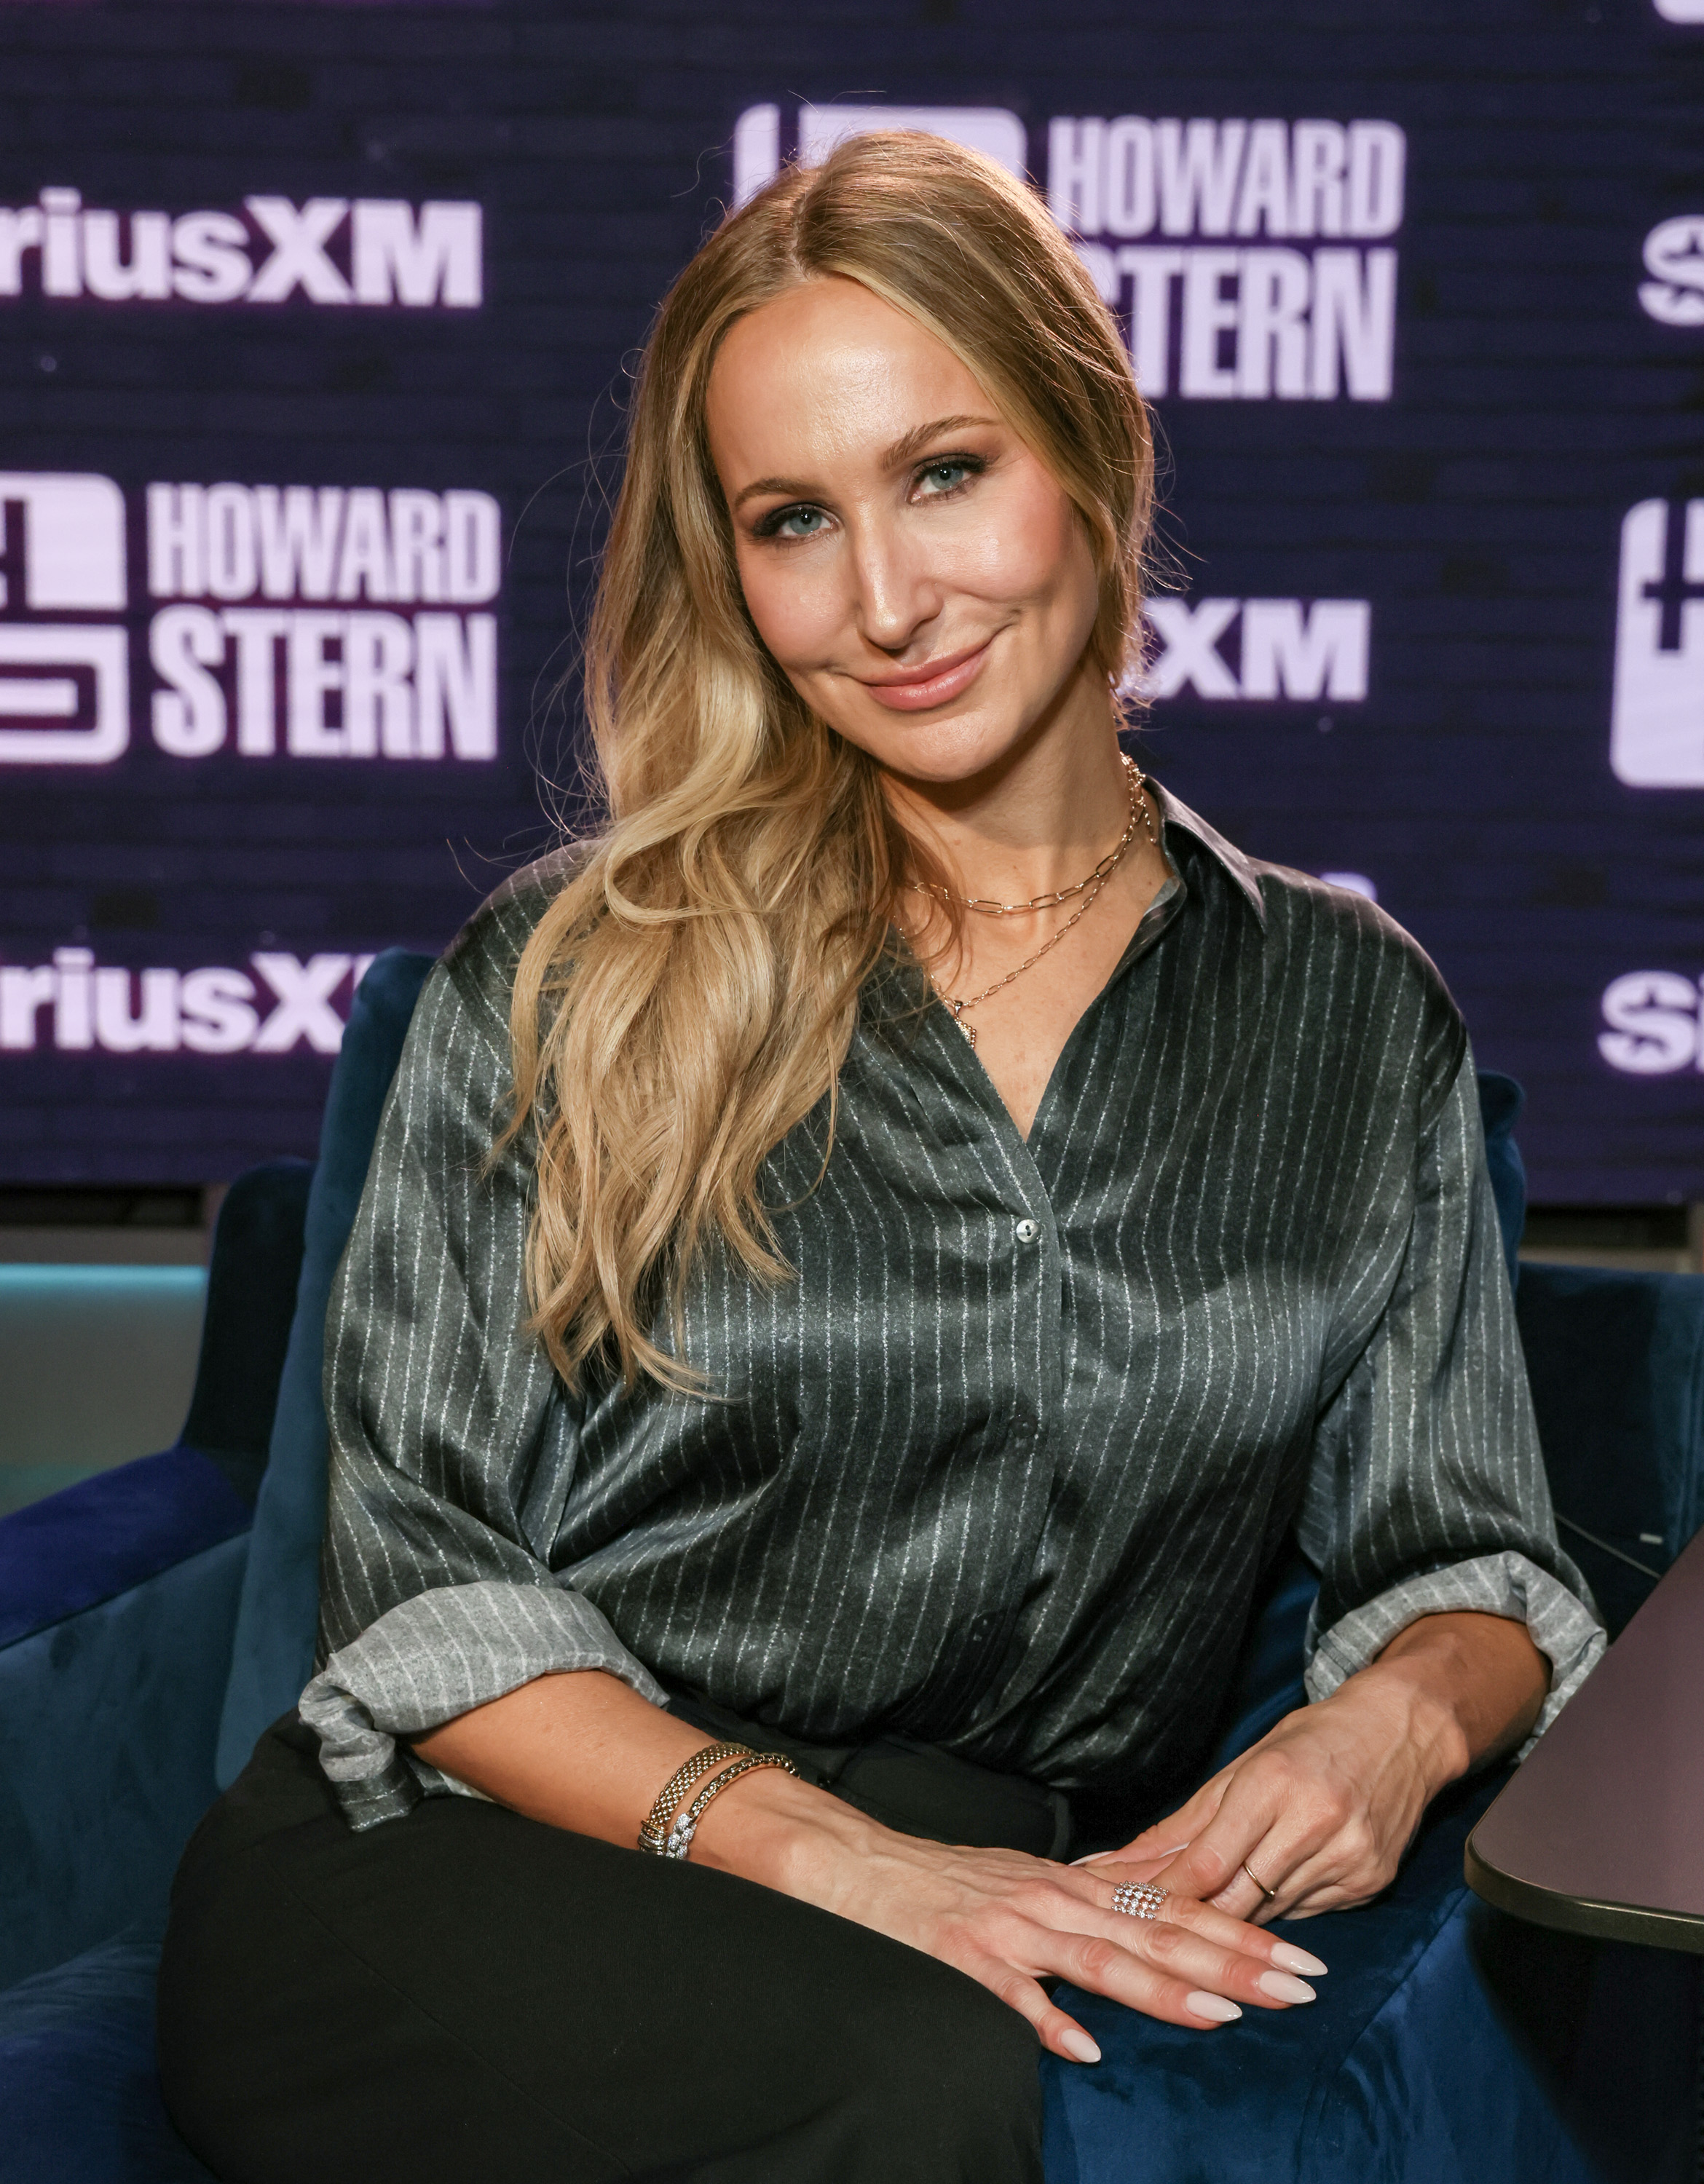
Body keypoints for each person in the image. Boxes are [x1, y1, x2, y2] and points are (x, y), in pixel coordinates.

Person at [157, 132, 1603, 2184]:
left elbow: (1465, 1561)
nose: (886, 599)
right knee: (929, 2086)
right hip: (478, 1861)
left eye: (945, 473)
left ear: (1093, 457)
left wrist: (1388, 1724)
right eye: (789, 520)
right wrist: (848, 1864)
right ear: (728, 568)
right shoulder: (572, 979)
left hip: (985, 1861)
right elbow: (427, 1597)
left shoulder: (1349, 1017)